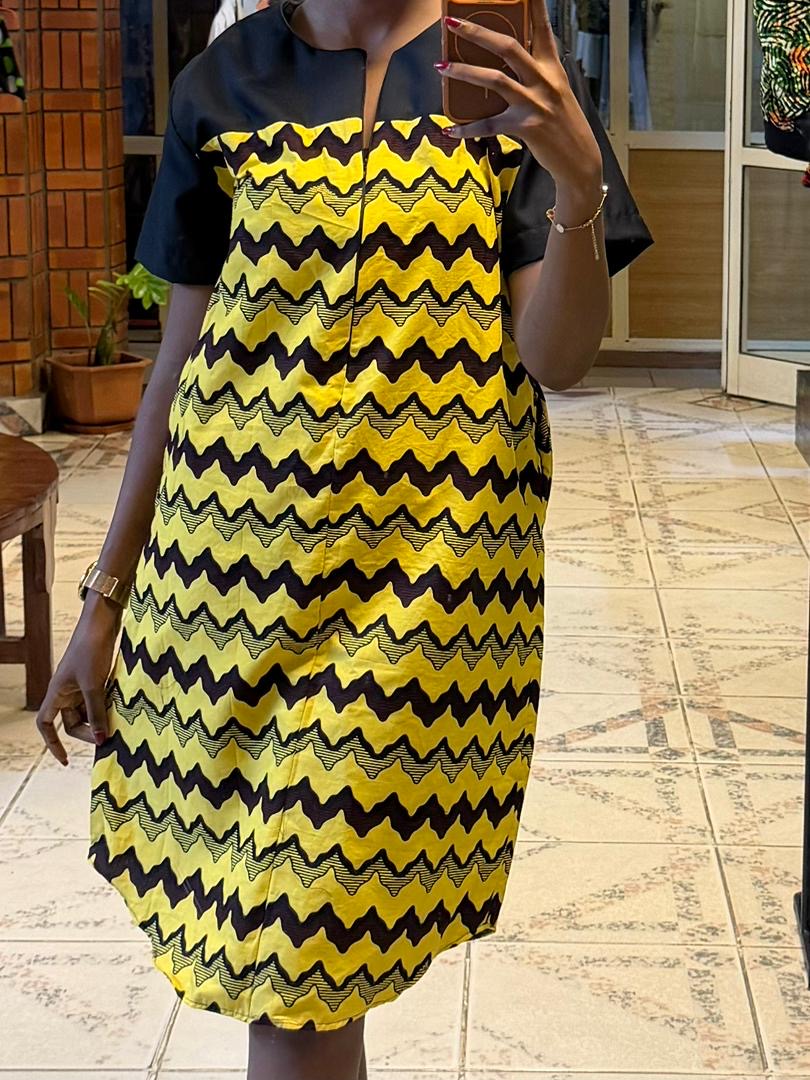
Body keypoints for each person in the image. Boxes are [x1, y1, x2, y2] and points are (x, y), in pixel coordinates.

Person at [36, 1, 652, 1077]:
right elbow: (176, 373)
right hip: (226, 591)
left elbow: (556, 360)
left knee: (303, 962)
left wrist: (579, 186)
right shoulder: (222, 84)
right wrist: (105, 602)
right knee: (298, 979)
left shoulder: (498, 67)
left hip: (429, 596)